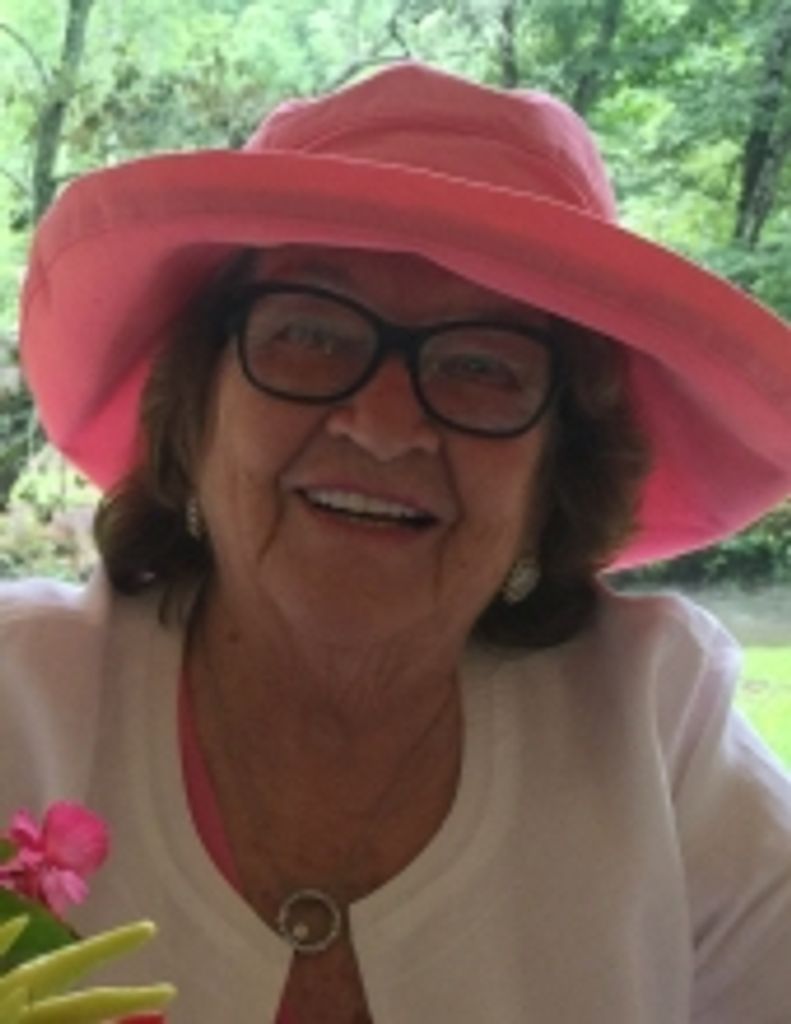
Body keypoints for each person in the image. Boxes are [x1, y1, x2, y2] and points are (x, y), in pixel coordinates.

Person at [2, 61, 791, 1023]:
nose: (381, 425)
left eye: (480, 365)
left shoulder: (663, 742)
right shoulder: (16, 700)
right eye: (310, 334)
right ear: (198, 401)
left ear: (558, 463)